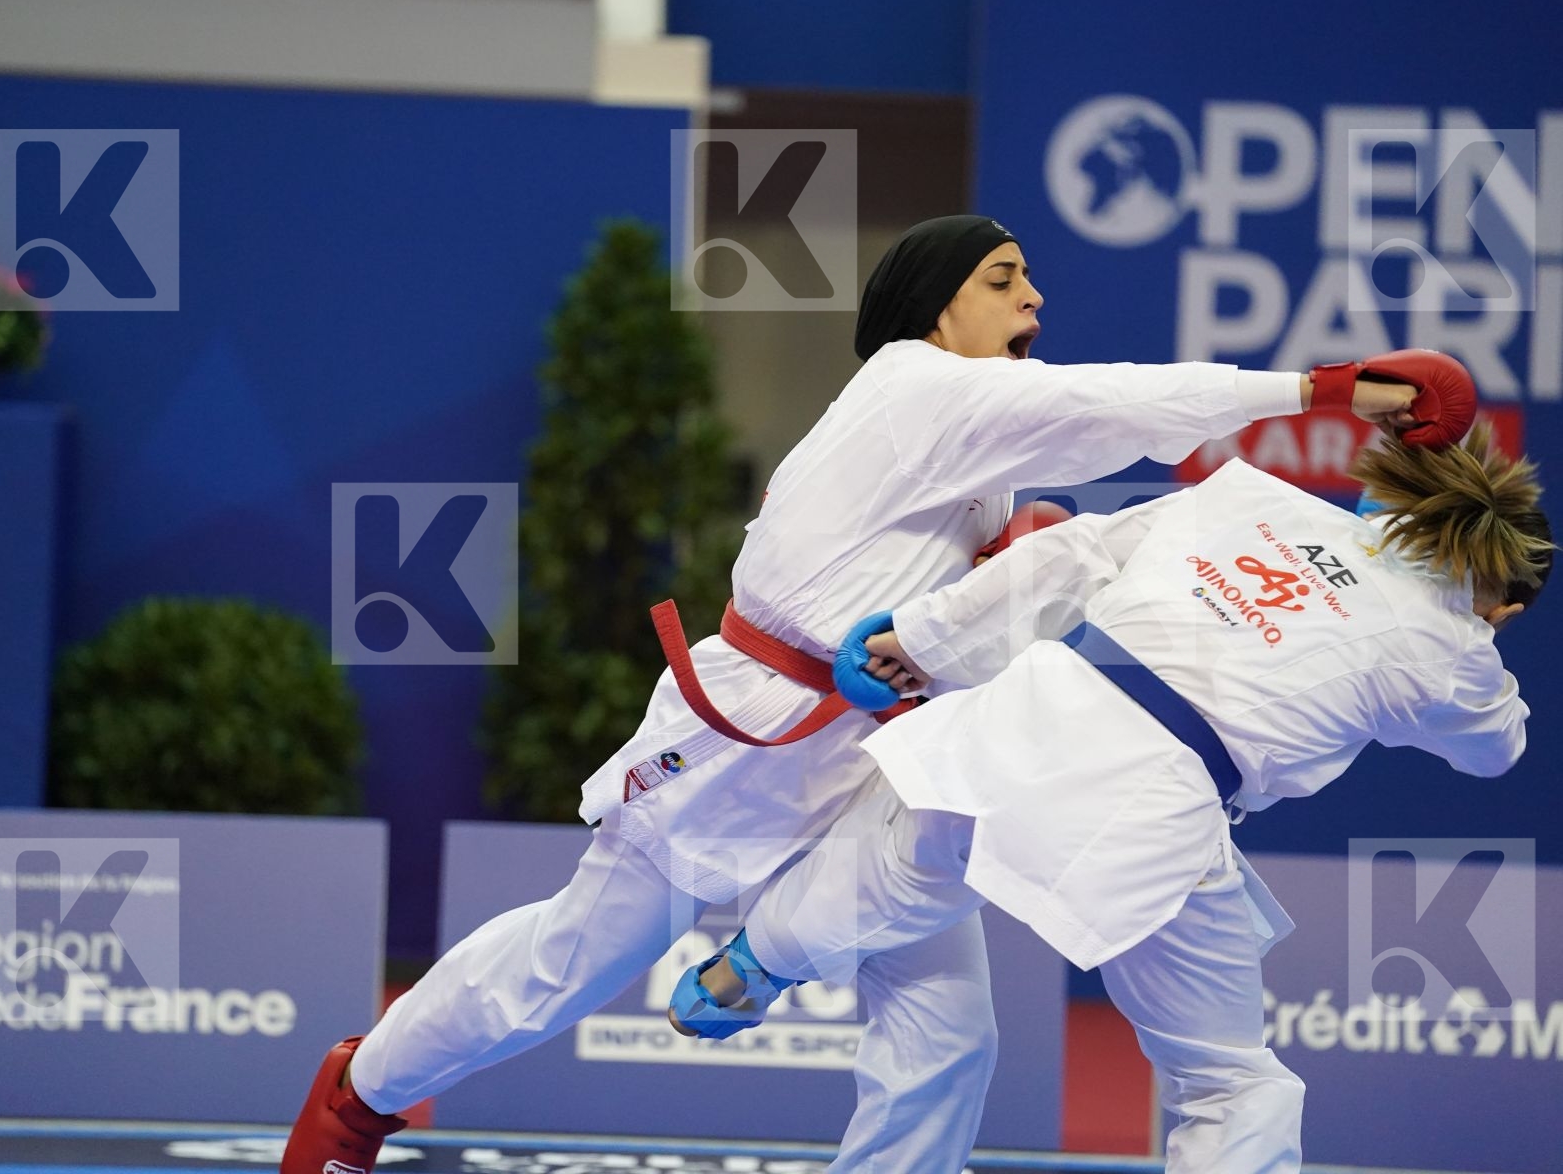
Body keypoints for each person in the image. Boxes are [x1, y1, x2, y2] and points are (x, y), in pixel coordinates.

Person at [281, 214, 1441, 1174]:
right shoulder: (916, 386)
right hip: (754, 730)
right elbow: (1115, 407)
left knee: (946, 1035)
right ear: (935, 309)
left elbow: (1038, 550)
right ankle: (358, 1095)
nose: (1032, 296)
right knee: (572, 961)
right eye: (1003, 279)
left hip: (887, 754)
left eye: (1029, 278)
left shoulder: (983, 451)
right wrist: (1329, 387)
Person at [672, 424, 1550, 1173]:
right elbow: (1497, 749)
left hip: (1036, 709)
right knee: (1230, 1081)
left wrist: (920, 637)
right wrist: (1471, 629)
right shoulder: (1452, 650)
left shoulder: (1254, 495)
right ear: (1504, 606)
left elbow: (1072, 553)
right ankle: (766, 957)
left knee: (914, 864)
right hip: (1150, 805)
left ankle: (753, 963)